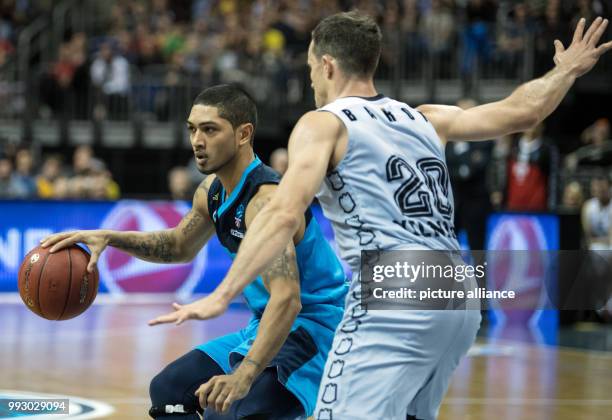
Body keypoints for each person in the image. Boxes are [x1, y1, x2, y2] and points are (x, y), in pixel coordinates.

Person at [179, 12, 612, 420]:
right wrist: (565, 72)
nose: (310, 78)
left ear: (327, 65)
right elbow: (524, 111)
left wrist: (224, 292)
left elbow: (282, 215)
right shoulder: (426, 118)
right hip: (456, 287)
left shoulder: (323, 123)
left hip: (395, 283)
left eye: (311, 67)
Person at [41, 85, 347, 420]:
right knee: (169, 391)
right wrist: (109, 237)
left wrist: (243, 376)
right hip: (264, 326)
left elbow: (287, 300)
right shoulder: (211, 192)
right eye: (192, 129)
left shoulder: (265, 201)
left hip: (313, 330)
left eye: (210, 129)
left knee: (228, 408)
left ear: (244, 134)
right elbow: (177, 246)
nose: (197, 141)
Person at [581, 175, 611, 250]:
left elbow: (611, 239)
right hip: (596, 246)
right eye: (597, 188)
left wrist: (596, 240)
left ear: (609, 188)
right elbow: (588, 238)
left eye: (603, 188)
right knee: (595, 248)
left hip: (609, 246)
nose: (599, 190)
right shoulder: (588, 206)